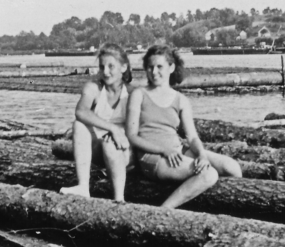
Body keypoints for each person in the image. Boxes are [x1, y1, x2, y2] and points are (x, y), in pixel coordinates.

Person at [126, 45, 242, 209]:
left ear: (171, 68)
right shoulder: (139, 95)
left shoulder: (180, 100)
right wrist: (163, 151)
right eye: (150, 67)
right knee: (208, 174)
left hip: (177, 151)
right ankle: (164, 210)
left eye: (159, 66)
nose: (154, 72)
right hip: (152, 156)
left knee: (232, 168)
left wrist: (201, 154)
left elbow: (192, 137)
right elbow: (132, 136)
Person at [59, 43, 132, 201]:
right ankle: (83, 186)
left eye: (111, 66)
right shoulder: (93, 88)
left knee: (110, 144)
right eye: (102, 67)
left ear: (124, 67)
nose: (105, 72)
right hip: (98, 150)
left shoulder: (132, 93)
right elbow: (80, 111)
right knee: (79, 125)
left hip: (123, 151)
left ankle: (119, 199)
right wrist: (113, 128)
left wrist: (120, 135)